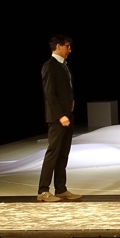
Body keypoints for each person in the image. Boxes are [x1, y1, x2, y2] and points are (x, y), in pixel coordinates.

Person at [37, 35, 82, 203]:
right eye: (67, 46)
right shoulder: (49, 66)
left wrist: (71, 103)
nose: (70, 50)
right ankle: (43, 190)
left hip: (67, 115)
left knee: (63, 154)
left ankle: (61, 189)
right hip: (58, 118)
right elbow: (50, 94)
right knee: (53, 153)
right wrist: (60, 115)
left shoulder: (64, 65)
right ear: (58, 46)